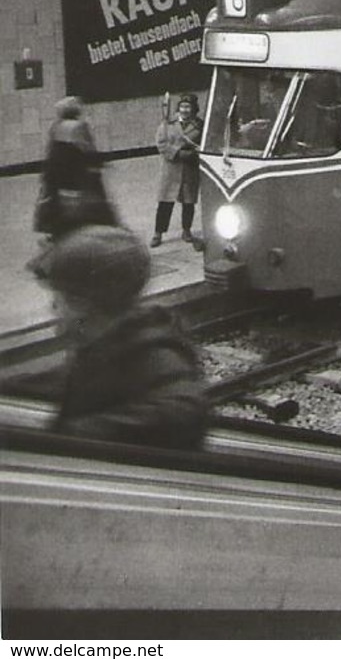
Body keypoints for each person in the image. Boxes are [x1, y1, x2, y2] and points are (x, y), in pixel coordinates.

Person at [28, 225, 207, 448]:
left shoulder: (156, 358)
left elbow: (184, 411)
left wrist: (69, 436)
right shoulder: (111, 344)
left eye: (59, 298)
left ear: (82, 303)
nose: (54, 308)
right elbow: (66, 380)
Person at [33, 96, 113, 247]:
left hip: (59, 175)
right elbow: (88, 150)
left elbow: (51, 153)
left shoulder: (56, 126)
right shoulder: (79, 127)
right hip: (77, 175)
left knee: (60, 206)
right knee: (92, 205)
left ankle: (58, 234)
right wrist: (99, 164)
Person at [153, 96, 204, 249]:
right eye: (182, 106)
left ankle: (186, 230)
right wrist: (177, 153)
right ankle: (158, 233)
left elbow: (204, 143)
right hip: (171, 169)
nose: (185, 110)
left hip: (190, 169)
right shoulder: (168, 124)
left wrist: (195, 154)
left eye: (188, 107)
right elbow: (161, 143)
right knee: (165, 202)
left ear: (194, 108)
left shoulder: (200, 125)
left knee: (188, 203)